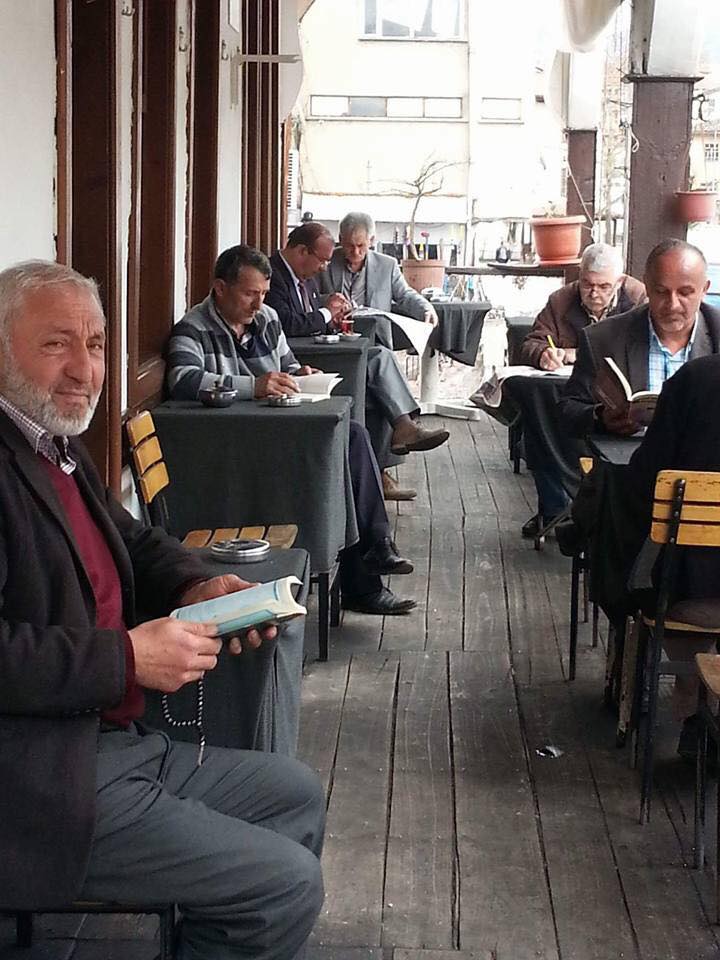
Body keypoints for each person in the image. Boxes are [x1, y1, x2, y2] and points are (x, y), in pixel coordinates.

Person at [0, 259, 325, 959]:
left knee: (295, 793)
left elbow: (131, 540)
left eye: (95, 345)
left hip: (110, 742)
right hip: (39, 781)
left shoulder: (52, 445)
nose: (84, 370)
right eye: (56, 344)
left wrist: (192, 587)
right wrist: (125, 659)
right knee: (283, 886)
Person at [166, 243, 418, 616]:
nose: (258, 303)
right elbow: (182, 379)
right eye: (250, 294)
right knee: (340, 462)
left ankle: (376, 548)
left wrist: (301, 373)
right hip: (236, 451)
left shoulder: (267, 318)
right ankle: (365, 577)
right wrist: (253, 386)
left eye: (264, 293)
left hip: (285, 434)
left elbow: (287, 362)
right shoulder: (194, 328)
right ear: (219, 288)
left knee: (351, 438)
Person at [265, 221, 448, 503]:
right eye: (324, 259)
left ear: (371, 241)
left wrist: (329, 315)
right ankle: (398, 437)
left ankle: (385, 459)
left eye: (361, 245)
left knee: (378, 387)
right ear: (303, 252)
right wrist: (328, 312)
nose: (325, 267)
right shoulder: (275, 275)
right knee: (379, 371)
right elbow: (289, 322)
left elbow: (405, 295)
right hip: (307, 359)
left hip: (337, 347)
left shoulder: (377, 266)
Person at [611, 354, 720, 758]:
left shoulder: (698, 378)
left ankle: (694, 700)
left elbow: (646, 478)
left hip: (691, 594)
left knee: (656, 556)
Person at [516, 244, 646, 538]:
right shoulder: (561, 300)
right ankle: (554, 511)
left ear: (620, 281)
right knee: (537, 428)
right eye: (587, 284)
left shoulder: (640, 299)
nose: (594, 293)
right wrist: (542, 354)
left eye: (604, 286)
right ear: (579, 277)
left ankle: (599, 514)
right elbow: (531, 342)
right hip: (566, 395)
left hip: (620, 401)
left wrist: (577, 353)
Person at [559, 239, 720, 439]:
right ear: (647, 287)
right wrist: (600, 417)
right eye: (661, 292)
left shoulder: (716, 331)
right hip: (631, 455)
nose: (673, 305)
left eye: (685, 293)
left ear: (704, 289)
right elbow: (568, 413)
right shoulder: (601, 338)